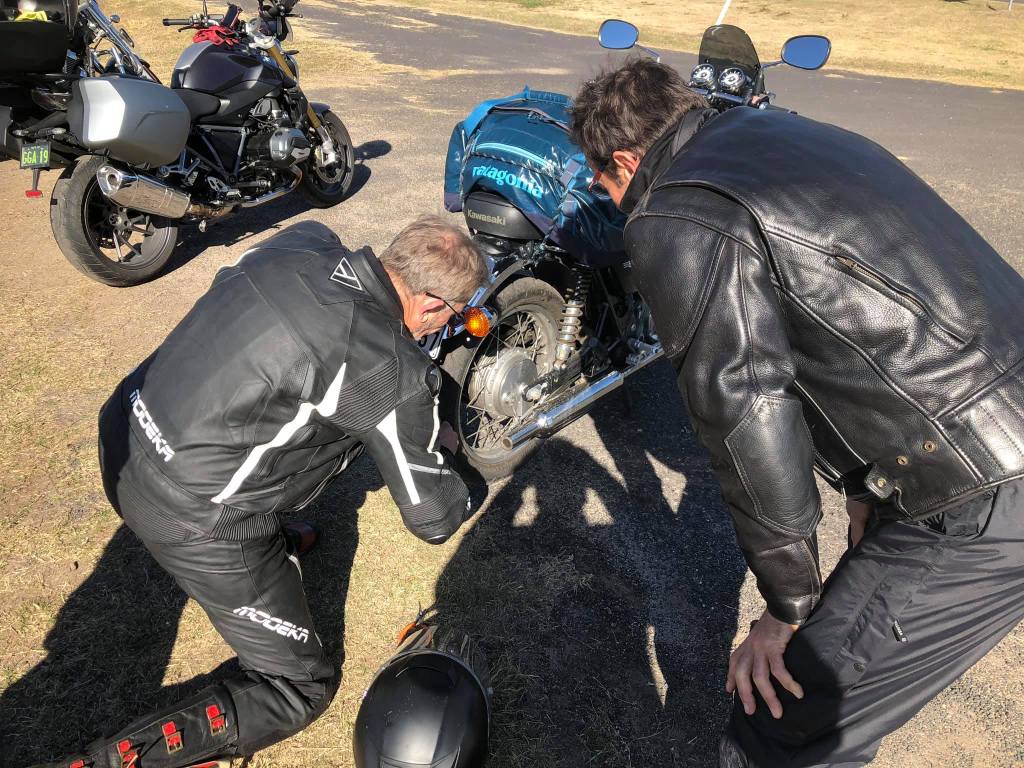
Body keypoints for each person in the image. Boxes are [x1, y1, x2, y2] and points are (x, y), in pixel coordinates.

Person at [569, 57, 1024, 766]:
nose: (604, 194)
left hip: (978, 484)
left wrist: (788, 609)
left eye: (601, 178)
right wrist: (865, 487)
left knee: (785, 725)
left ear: (625, 160)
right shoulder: (790, 134)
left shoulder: (676, 214)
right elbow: (861, 307)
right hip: (984, 428)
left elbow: (745, 411)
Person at [37, 216, 488, 768]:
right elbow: (433, 519)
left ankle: (265, 546)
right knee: (300, 688)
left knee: (283, 412)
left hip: (123, 431)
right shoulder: (389, 366)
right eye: (456, 313)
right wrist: (452, 457)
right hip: (186, 514)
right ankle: (103, 763)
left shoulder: (306, 239)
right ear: (433, 305)